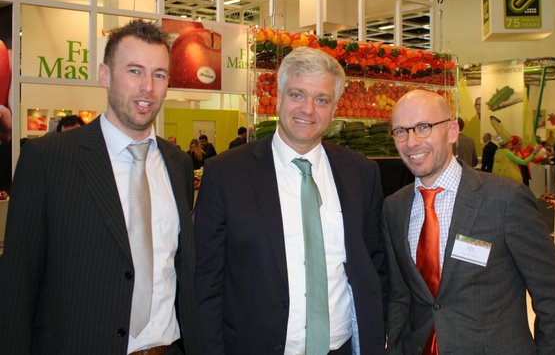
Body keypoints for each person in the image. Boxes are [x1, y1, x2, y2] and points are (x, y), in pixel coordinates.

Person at [0, 20, 201, 354]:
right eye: (134, 71)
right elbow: (17, 283)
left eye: (159, 75)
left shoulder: (177, 164)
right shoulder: (48, 160)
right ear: (105, 75)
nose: (148, 87)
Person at [194, 46, 385, 354]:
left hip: (342, 347)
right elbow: (205, 280)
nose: (308, 109)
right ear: (279, 97)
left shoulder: (361, 173)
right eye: (297, 94)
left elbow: (375, 266)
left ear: (334, 108)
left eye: (321, 99)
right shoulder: (226, 174)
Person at [383, 89, 555, 354]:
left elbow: (553, 292)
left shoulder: (505, 199)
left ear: (451, 132)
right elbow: (399, 295)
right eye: (401, 131)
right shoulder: (394, 208)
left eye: (423, 127)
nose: (411, 142)